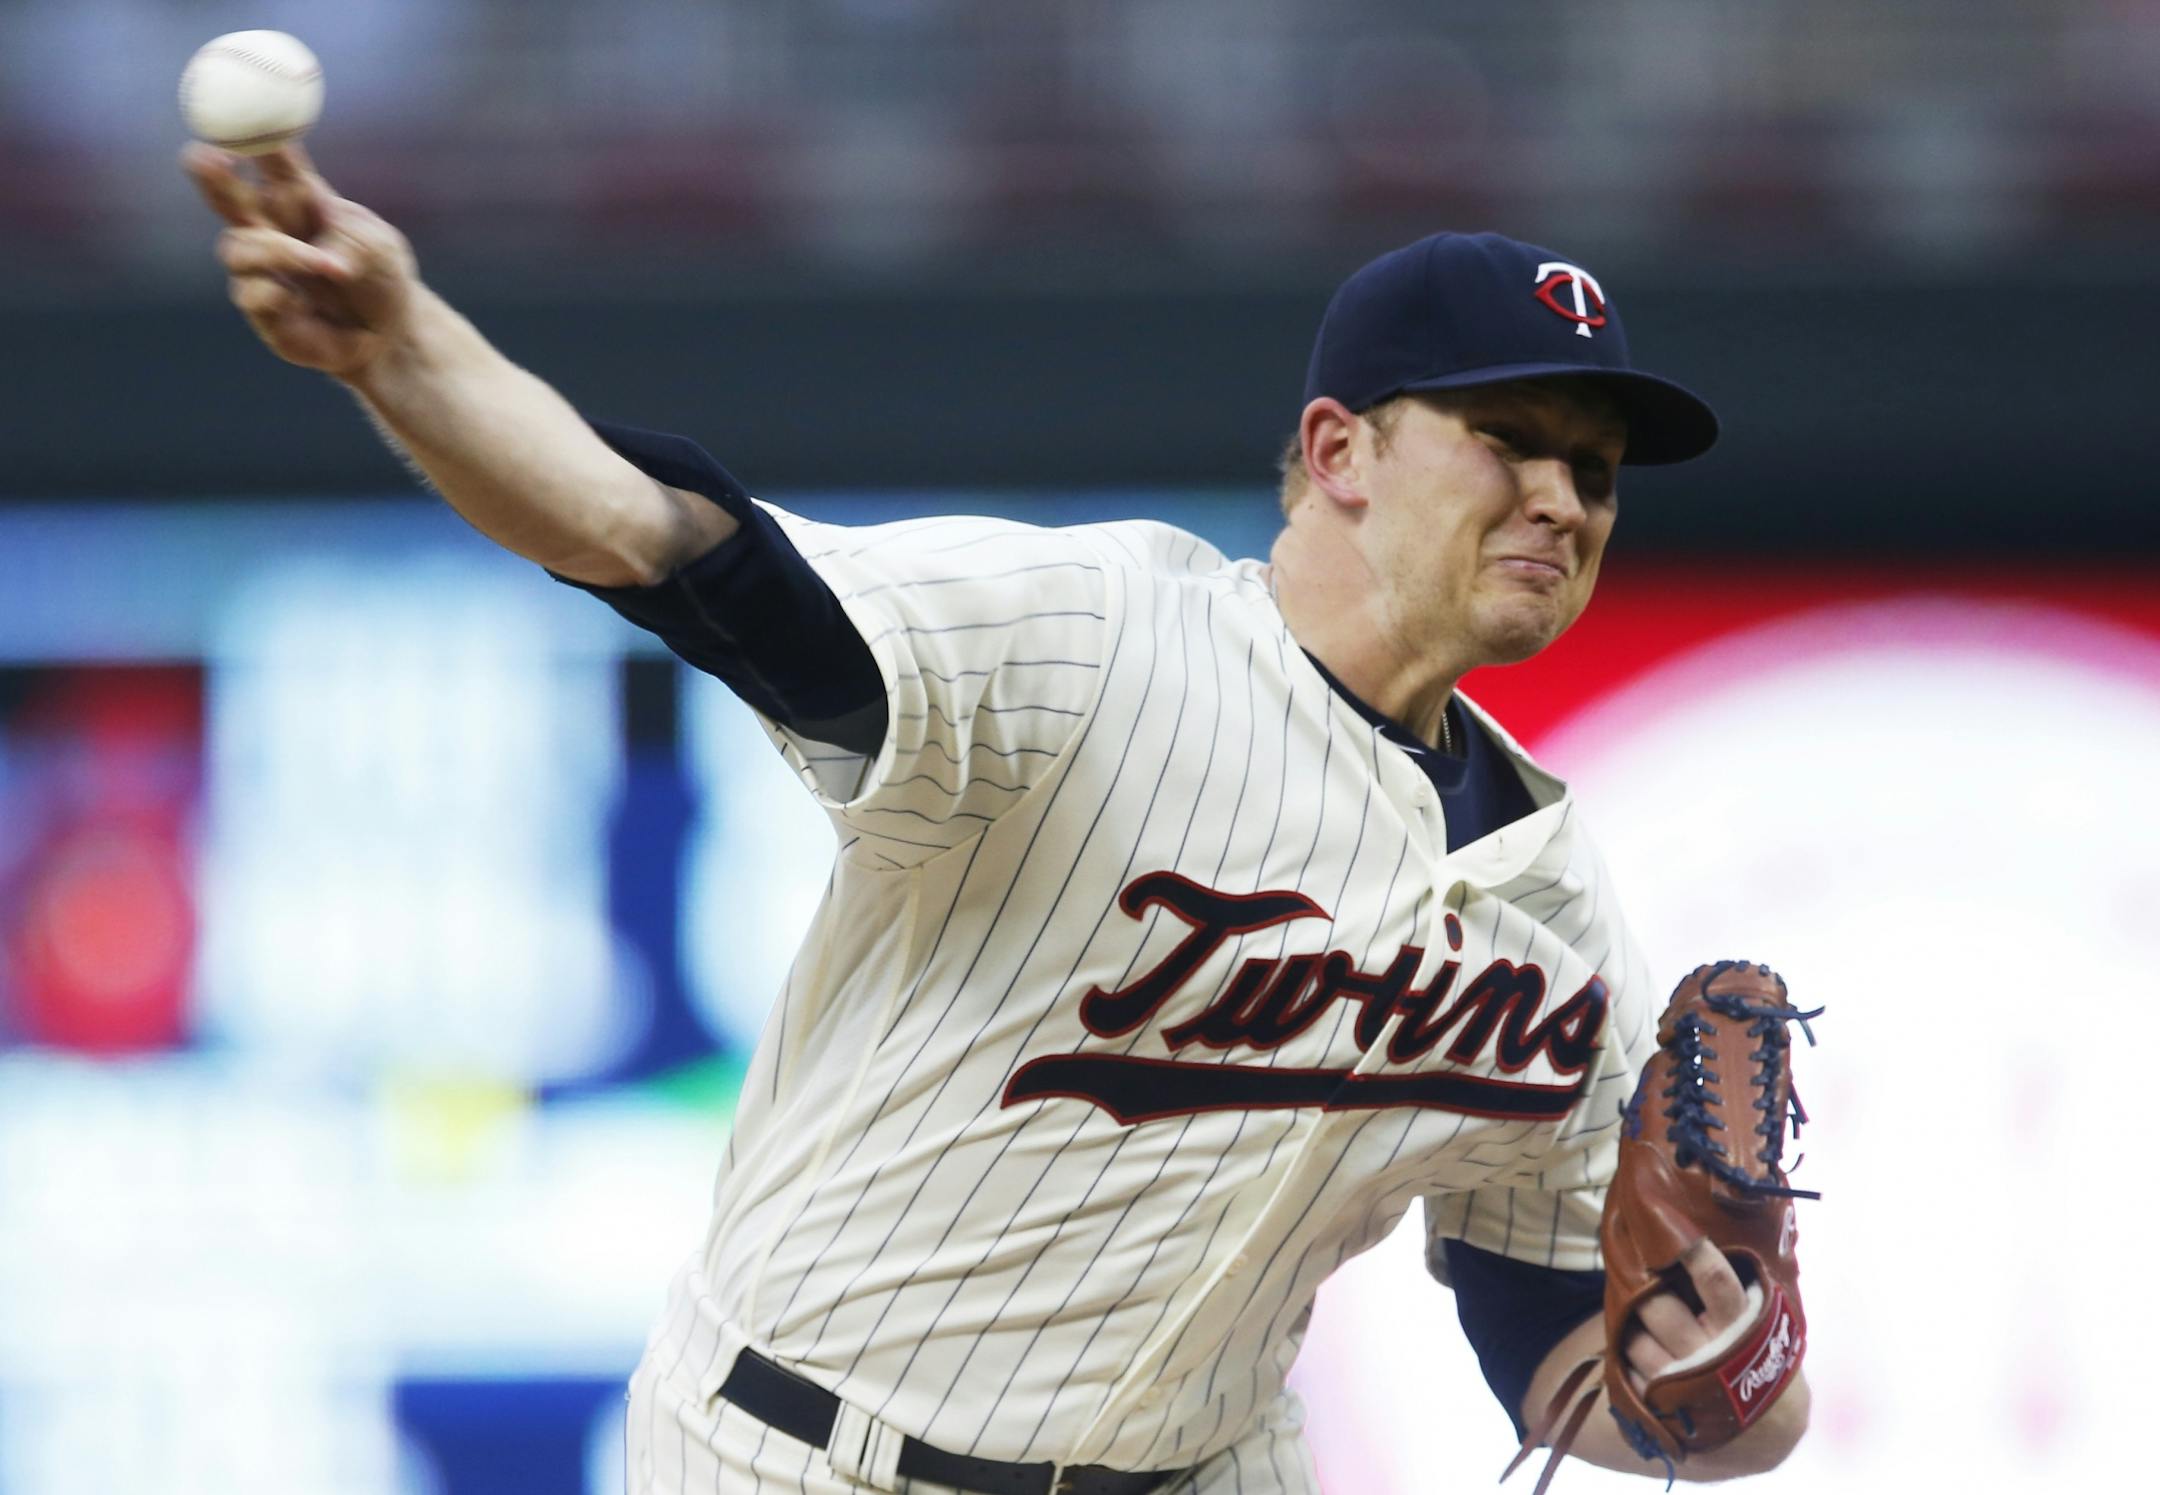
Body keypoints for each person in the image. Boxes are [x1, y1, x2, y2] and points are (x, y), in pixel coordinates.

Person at [184, 141, 1811, 1494]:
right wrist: (402, 352)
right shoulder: (1093, 641)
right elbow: (657, 537)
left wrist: (1731, 1392)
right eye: (1511, 442)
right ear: (1341, 453)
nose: (1563, 500)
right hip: (803, 1451)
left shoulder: (1558, 905)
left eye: (1596, 472)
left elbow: (1554, 1355)